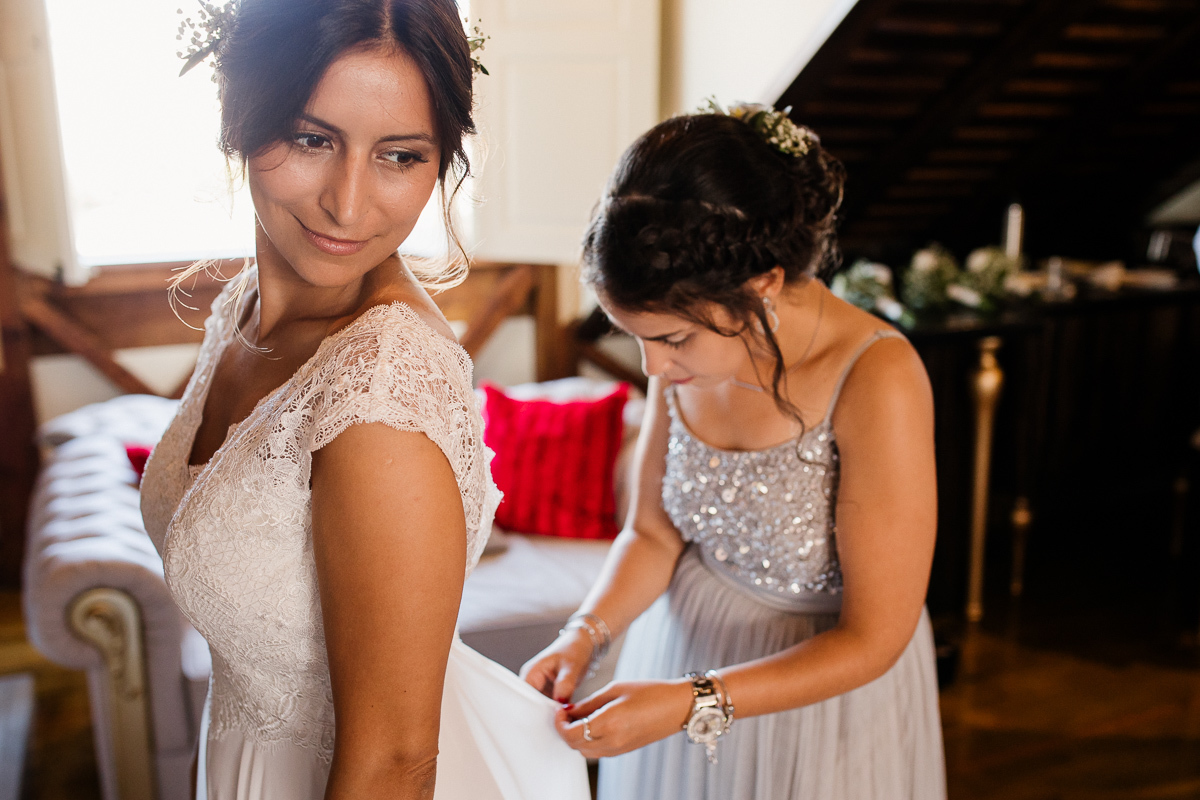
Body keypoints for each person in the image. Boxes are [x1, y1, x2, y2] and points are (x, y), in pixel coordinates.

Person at [140, 1, 589, 798]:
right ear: (234, 114)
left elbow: (393, 762)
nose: (347, 206)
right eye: (313, 139)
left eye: (400, 155)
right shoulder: (245, 307)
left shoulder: (380, 393)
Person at [522, 105, 947, 799]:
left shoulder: (878, 378)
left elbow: (875, 637)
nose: (652, 369)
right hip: (684, 647)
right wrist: (583, 634)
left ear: (762, 287)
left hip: (818, 695)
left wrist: (692, 701)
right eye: (637, 337)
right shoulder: (687, 356)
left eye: (672, 341)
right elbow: (653, 533)